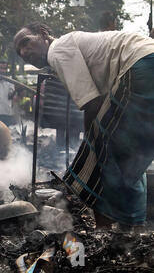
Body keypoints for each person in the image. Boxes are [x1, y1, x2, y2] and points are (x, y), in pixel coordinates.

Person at [14, 22, 154, 229]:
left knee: (100, 155)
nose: (24, 52)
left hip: (139, 65)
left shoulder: (58, 49)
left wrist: (91, 143)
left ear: (44, 34)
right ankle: (132, 228)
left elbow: (92, 103)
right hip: (146, 61)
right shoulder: (73, 44)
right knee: (130, 158)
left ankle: (105, 232)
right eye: (19, 52)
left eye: (26, 42)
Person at [0, 60, 16, 126]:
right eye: (1, 68)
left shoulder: (10, 81)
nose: (3, 71)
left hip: (7, 112)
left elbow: (10, 96)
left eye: (4, 69)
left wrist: (15, 91)